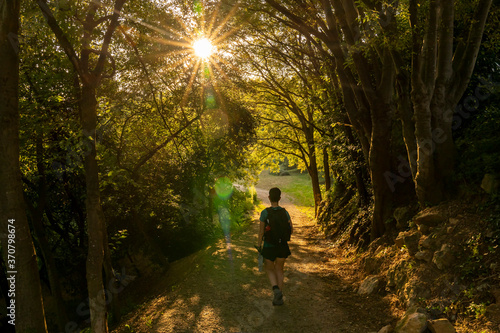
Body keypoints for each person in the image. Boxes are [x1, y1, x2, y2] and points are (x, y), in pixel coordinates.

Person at [258, 187, 293, 306]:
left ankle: (275, 289)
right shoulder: (285, 212)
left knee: (269, 268)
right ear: (279, 198)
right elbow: (291, 230)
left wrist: (259, 246)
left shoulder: (265, 213)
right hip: (282, 245)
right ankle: (279, 297)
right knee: (279, 269)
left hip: (269, 246)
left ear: (269, 197)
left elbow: (261, 232)